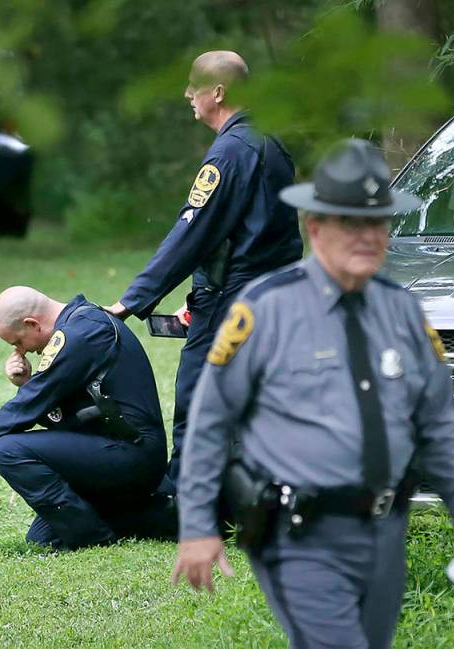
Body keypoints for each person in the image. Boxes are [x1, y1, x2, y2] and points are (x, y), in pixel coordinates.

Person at [172, 140, 454, 648]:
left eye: (378, 222)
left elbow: (437, 424)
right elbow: (210, 421)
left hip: (383, 532)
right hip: (298, 534)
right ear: (314, 227)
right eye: (350, 223)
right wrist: (197, 522)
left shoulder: (404, 313)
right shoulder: (265, 310)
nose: (368, 236)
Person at [107, 51, 303, 487]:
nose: (187, 95)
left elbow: (192, 233)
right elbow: (272, 233)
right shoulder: (272, 142)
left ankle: (187, 501)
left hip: (232, 301)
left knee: (198, 399)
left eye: (194, 86)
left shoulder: (230, 152)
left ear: (218, 92)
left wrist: (131, 301)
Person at [0, 286, 175, 549]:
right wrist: (27, 383)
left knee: (8, 450)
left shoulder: (82, 333)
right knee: (43, 537)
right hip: (115, 451)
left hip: (134, 456)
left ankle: (94, 539)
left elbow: (28, 405)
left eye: (17, 342)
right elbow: (70, 418)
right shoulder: (80, 325)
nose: (22, 351)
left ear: (32, 323)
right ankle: (157, 514)